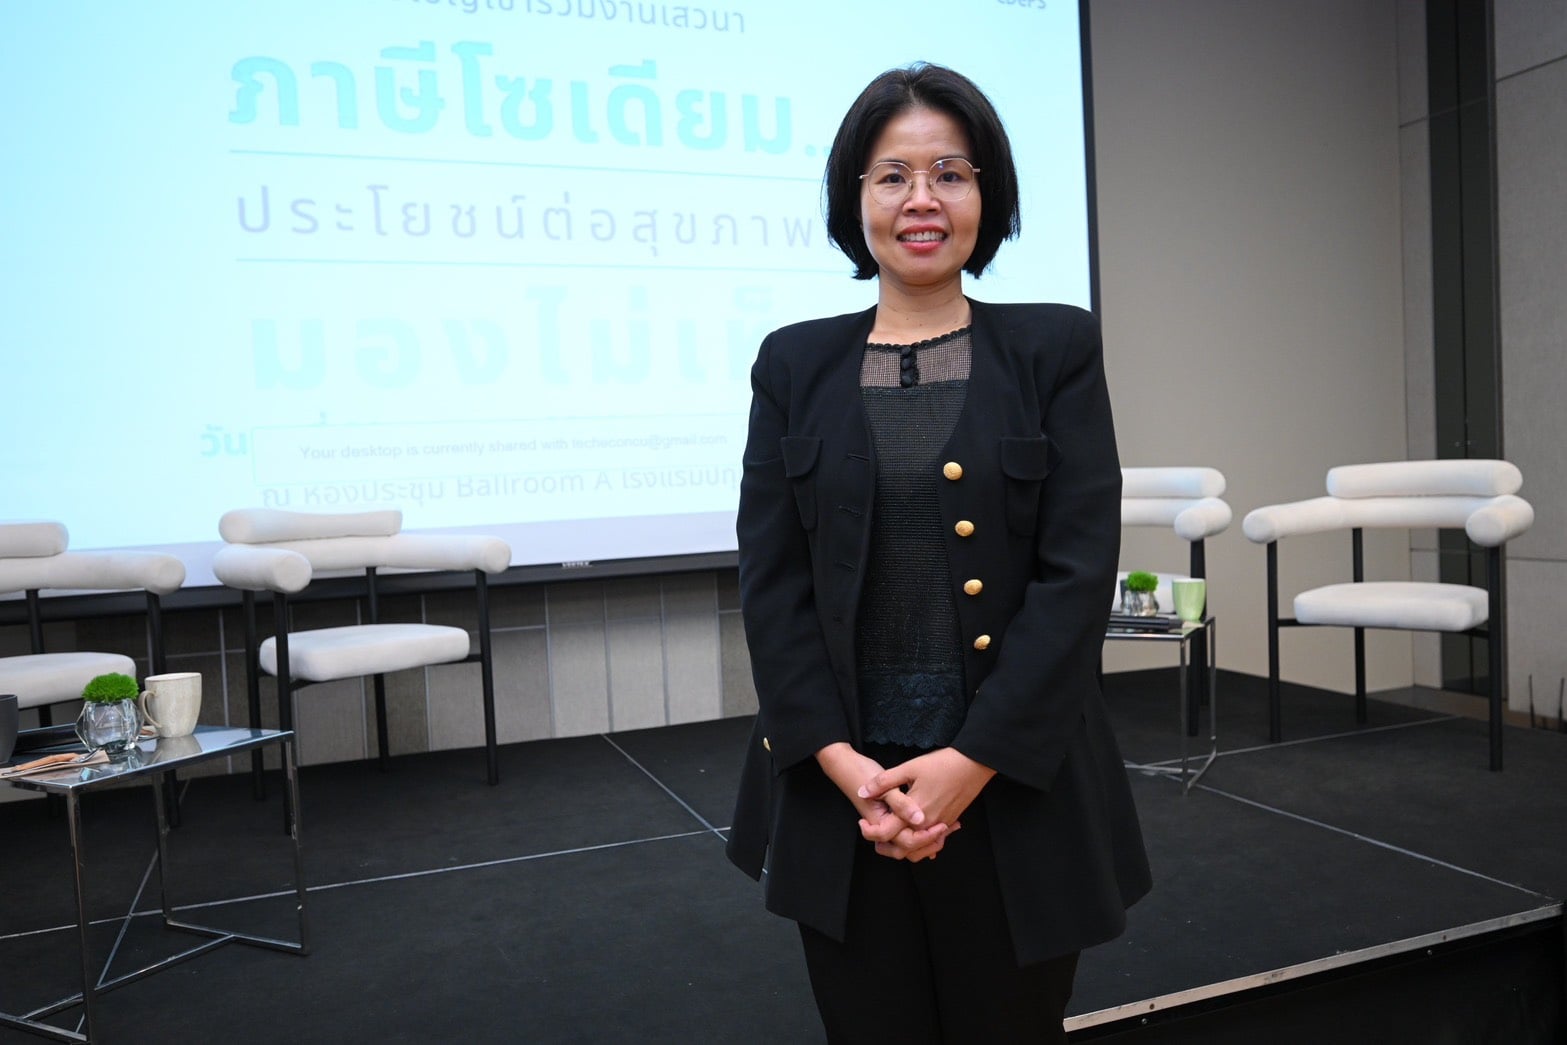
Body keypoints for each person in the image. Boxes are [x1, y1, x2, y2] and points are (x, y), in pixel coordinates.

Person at [725, 63, 1151, 1043]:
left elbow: (1076, 576)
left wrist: (970, 761)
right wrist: (842, 764)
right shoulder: (791, 361)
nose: (921, 199)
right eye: (892, 176)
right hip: (844, 793)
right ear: (855, 198)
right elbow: (771, 582)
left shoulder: (1054, 348)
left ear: (985, 196)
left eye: (950, 174)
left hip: (1014, 780)